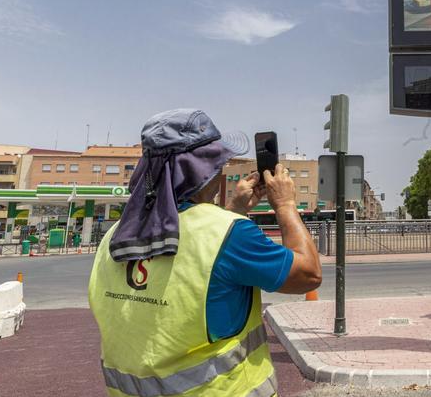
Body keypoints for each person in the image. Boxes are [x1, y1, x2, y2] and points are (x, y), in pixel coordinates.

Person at [88, 109, 321, 397]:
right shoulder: (228, 233)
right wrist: (285, 204)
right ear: (200, 170)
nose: (220, 170)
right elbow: (308, 275)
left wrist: (233, 211)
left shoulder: (114, 236)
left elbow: (193, 269)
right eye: (217, 162)